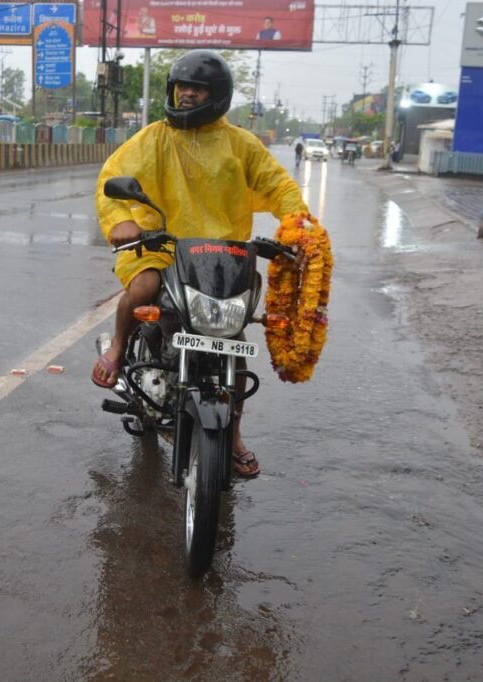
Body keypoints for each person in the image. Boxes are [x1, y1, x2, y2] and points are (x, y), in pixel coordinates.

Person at [91, 50, 309, 478]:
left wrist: (299, 227)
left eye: (198, 88)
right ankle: (117, 348)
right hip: (161, 245)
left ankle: (235, 435)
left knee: (236, 344)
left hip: (221, 259)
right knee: (142, 289)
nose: (188, 94)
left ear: (217, 95)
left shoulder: (240, 144)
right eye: (182, 86)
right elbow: (111, 181)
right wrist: (122, 221)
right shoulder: (153, 138)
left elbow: (279, 187)